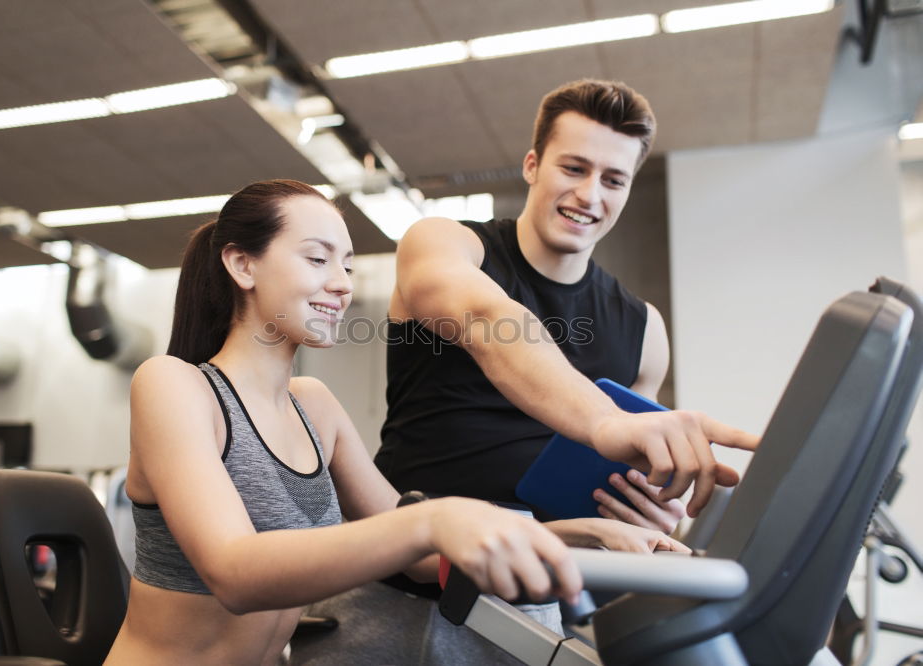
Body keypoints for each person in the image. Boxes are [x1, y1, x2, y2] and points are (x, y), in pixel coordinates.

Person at [103, 179, 672, 666]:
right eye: (318, 258)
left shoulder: (314, 406)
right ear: (242, 263)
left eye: (348, 265)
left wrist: (579, 536)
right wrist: (435, 519)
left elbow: (424, 562)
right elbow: (235, 572)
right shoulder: (175, 385)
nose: (343, 283)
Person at [290, 80, 756, 664]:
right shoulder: (446, 244)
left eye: (614, 180)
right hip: (393, 588)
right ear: (533, 165)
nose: (590, 194)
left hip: (527, 612)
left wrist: (650, 503)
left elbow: (618, 486)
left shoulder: (643, 329)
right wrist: (606, 424)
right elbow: (490, 322)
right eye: (574, 168)